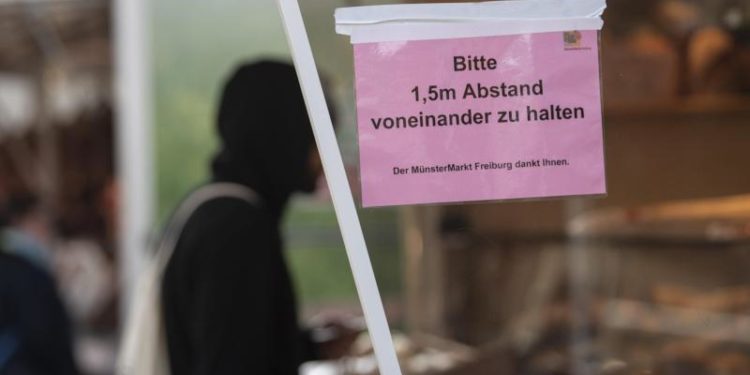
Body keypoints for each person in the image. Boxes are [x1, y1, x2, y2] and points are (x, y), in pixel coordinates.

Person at [161, 61, 355, 375]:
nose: (324, 158)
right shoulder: (236, 229)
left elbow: (237, 341)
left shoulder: (212, 209)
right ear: (283, 135)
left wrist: (312, 346)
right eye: (317, 138)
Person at [0, 196, 79, 375]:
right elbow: (45, 335)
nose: (48, 231)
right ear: (21, 221)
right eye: (42, 222)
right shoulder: (28, 271)